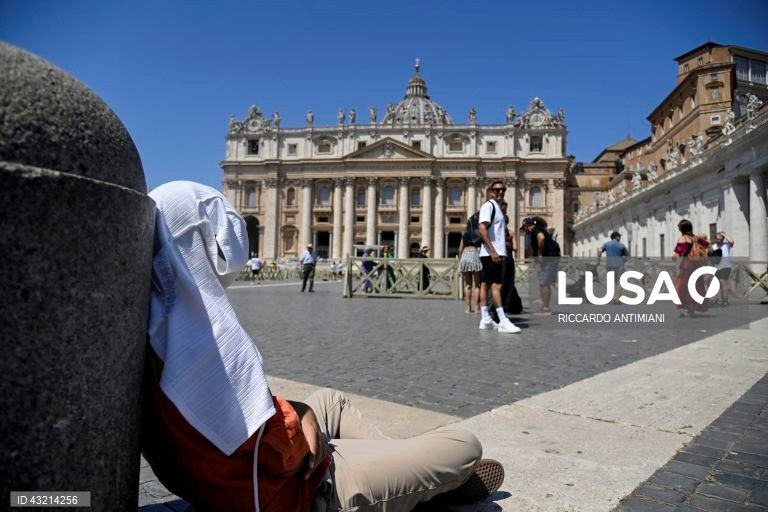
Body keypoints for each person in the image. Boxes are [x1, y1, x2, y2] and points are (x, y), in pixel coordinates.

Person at [141, 181, 504, 512]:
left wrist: (300, 410)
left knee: (330, 401)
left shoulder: (159, 331)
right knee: (463, 444)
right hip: (301, 492)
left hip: (256, 475)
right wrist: (298, 418)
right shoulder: (202, 346)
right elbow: (278, 454)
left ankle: (409, 475)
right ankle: (422, 484)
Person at [478, 181, 522, 334]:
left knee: (485, 284)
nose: (500, 192)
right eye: (497, 190)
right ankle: (503, 320)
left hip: (492, 253)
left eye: (503, 189)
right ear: (491, 191)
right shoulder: (488, 206)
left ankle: (485, 319)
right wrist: (493, 251)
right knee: (497, 286)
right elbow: (482, 228)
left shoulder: (497, 208)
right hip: (493, 253)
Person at [672, 219, 712, 317]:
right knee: (697, 286)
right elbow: (709, 246)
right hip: (697, 264)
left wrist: (677, 267)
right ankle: (691, 310)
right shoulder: (696, 238)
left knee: (686, 287)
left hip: (687, 265)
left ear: (682, 229)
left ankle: (690, 309)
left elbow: (678, 255)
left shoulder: (683, 239)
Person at [521, 217, 559, 315]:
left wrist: (539, 253)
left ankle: (545, 308)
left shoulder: (535, 230)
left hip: (547, 257)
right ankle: (545, 306)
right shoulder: (540, 228)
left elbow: (541, 237)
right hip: (554, 256)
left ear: (527, 226)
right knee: (549, 281)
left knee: (543, 282)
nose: (525, 230)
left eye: (525, 228)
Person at [596, 231, 628, 304]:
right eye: (619, 236)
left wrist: (598, 261)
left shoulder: (607, 244)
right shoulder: (621, 245)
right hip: (620, 265)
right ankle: (617, 298)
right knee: (620, 282)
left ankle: (612, 297)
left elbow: (599, 251)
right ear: (616, 237)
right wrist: (623, 261)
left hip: (610, 265)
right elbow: (628, 256)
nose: (620, 237)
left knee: (611, 282)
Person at [458, 227, 483, 314]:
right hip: (475, 254)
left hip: (465, 255)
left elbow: (460, 249)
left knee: (467, 284)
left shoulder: (465, 235)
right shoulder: (478, 233)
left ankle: (468, 308)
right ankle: (477, 307)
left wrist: (461, 259)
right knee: (477, 285)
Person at [711, 231, 735, 306]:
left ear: (723, 239)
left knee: (723, 282)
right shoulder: (713, 246)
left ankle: (725, 300)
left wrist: (724, 234)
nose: (719, 241)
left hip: (725, 266)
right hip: (716, 267)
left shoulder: (726, 245)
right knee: (717, 284)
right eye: (717, 239)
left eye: (721, 239)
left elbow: (731, 241)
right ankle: (717, 299)